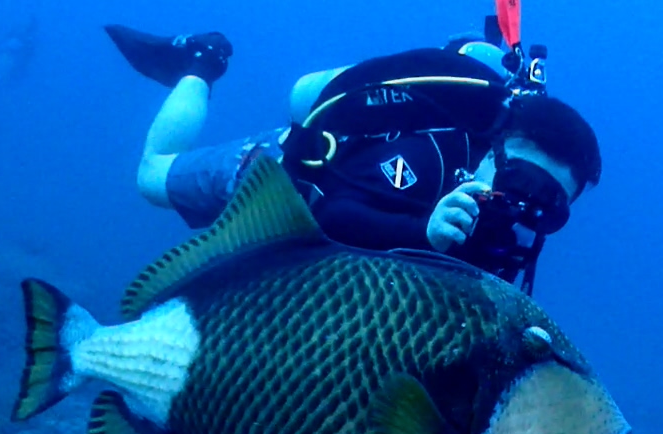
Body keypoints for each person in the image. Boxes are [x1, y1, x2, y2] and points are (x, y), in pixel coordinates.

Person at [104, 25, 601, 294]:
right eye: (521, 181)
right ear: (494, 149)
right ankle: (199, 63)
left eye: (548, 206)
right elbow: (330, 213)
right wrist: (422, 232)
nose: (522, 206)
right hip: (282, 176)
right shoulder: (429, 158)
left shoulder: (505, 237)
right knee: (151, 177)